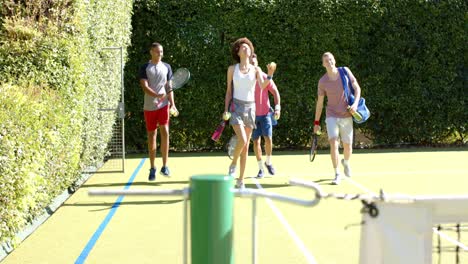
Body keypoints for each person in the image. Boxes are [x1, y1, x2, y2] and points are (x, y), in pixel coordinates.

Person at [223, 37, 276, 188]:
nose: (246, 49)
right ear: (238, 52)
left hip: (251, 109)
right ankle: (233, 164)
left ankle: (240, 180)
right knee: (243, 139)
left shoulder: (256, 69)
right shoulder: (232, 69)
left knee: (245, 146)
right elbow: (228, 91)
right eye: (243, 47)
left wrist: (270, 74)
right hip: (236, 108)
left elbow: (263, 85)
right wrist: (226, 109)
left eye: (248, 47)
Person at [313, 52, 361, 185]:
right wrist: (316, 122)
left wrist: (355, 104)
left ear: (334, 60)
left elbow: (357, 88)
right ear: (323, 64)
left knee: (348, 146)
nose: (329, 62)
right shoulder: (322, 81)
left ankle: (345, 162)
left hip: (347, 114)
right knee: (334, 142)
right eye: (326, 61)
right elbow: (320, 103)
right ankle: (337, 173)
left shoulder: (345, 71)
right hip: (331, 115)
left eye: (331, 59)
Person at [139, 42, 178, 181]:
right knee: (151, 135)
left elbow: (169, 87)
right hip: (149, 107)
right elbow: (144, 86)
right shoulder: (145, 67)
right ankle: (152, 168)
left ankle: (165, 166)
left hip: (164, 106)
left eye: (161, 52)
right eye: (157, 52)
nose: (159, 54)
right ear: (151, 52)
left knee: (165, 131)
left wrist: (172, 104)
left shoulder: (167, 67)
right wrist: (156, 95)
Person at [250, 54, 281, 178]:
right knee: (256, 141)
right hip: (251, 115)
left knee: (268, 139)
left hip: (266, 114)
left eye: (254, 62)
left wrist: (277, 108)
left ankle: (268, 162)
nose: (252, 65)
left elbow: (275, 92)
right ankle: (260, 169)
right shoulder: (246, 79)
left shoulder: (264, 77)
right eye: (250, 63)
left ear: (257, 63)